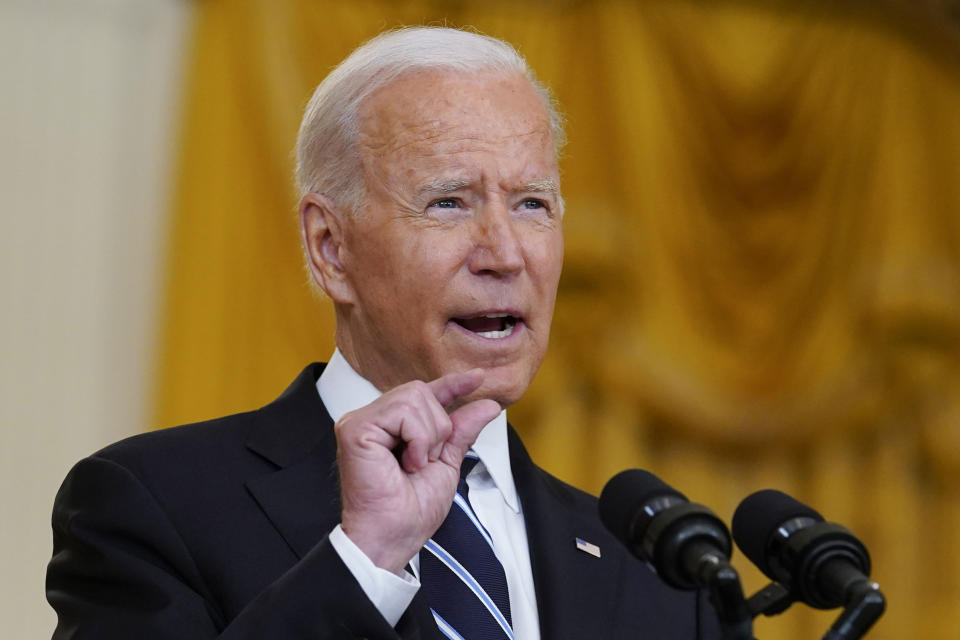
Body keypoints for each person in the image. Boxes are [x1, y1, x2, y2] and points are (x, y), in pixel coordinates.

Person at [47, 27, 719, 639]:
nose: (506, 253)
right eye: (448, 202)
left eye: (532, 205)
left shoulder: (654, 570)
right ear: (330, 246)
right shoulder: (152, 506)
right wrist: (363, 562)